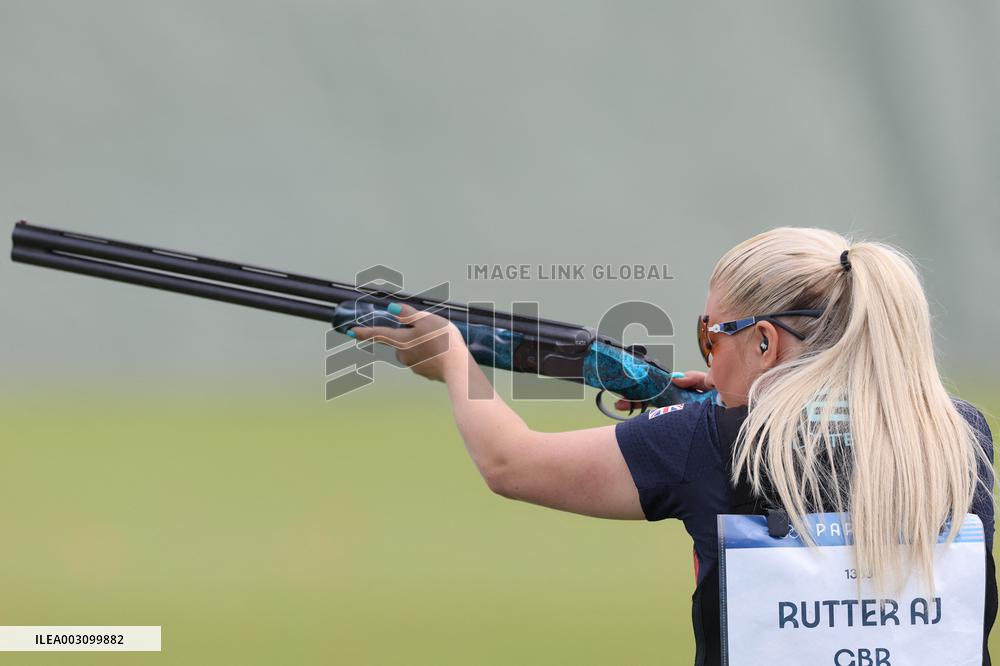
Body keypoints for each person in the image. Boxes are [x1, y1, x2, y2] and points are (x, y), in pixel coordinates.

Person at [349, 227, 997, 665]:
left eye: (712, 338)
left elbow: (510, 463)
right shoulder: (961, 432)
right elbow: (831, 443)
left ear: (764, 342)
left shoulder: (706, 442)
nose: (708, 359)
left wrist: (455, 364)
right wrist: (721, 403)